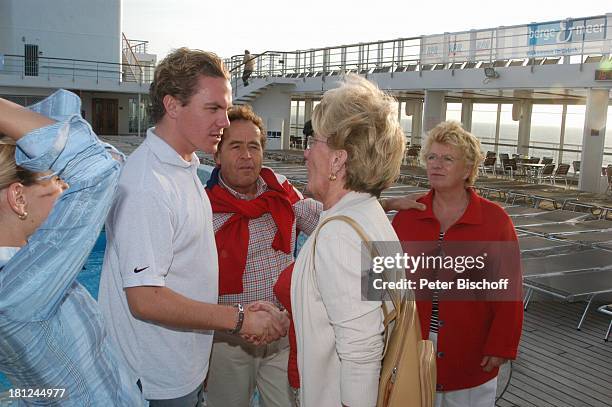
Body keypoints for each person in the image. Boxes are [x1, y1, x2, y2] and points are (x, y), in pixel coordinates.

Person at [98, 48, 288, 406]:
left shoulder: (184, 166)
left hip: (184, 368)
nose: (224, 121)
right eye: (213, 108)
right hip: (155, 381)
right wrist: (239, 319)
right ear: (172, 106)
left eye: (224, 108)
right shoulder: (147, 184)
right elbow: (145, 299)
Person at [204, 105, 424, 407]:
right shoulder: (202, 209)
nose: (247, 155)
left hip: (288, 339)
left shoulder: (289, 198)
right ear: (217, 155)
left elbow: (363, 351)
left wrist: (386, 204)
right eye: (236, 147)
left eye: (253, 146)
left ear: (338, 158)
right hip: (231, 338)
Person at [0, 90, 144, 406]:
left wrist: (35, 399)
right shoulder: (20, 289)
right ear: (19, 198)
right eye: (58, 182)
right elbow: (99, 170)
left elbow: (109, 158)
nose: (67, 190)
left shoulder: (32, 268)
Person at [290, 74, 407, 407]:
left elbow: (361, 354)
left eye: (313, 141)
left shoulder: (340, 233)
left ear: (338, 159)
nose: (306, 154)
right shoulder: (371, 216)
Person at [392, 121, 523, 407]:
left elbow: (509, 289)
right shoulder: (407, 217)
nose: (436, 165)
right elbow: (387, 282)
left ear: (467, 169)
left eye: (447, 158)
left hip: (470, 351)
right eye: (432, 157)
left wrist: (501, 344)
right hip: (412, 347)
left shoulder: (495, 221)